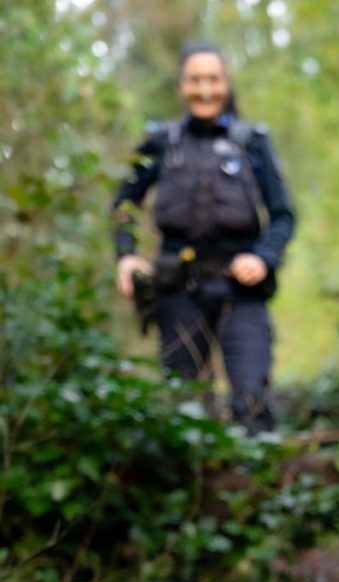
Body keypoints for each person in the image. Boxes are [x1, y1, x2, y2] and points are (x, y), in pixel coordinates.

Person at [112, 42, 295, 434]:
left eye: (213, 79)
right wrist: (125, 255)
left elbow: (283, 215)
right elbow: (123, 204)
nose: (205, 90)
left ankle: (259, 488)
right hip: (177, 290)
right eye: (196, 80)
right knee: (187, 409)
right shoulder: (160, 144)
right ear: (182, 86)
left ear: (226, 84)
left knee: (252, 404)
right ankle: (195, 491)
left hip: (241, 291)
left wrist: (263, 256)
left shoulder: (252, 143)